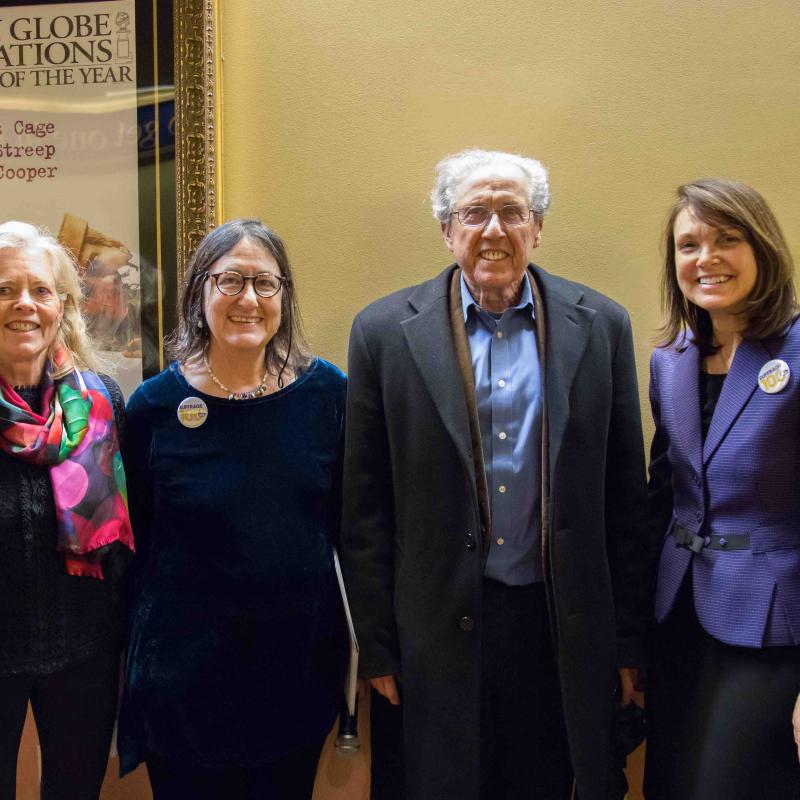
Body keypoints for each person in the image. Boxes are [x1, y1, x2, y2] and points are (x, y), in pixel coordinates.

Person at [341, 149, 649, 800]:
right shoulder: (382, 333)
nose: (494, 229)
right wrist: (377, 647)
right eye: (474, 212)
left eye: (512, 212)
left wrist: (628, 642)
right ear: (446, 230)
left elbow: (627, 498)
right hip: (435, 629)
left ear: (537, 228)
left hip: (556, 626)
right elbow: (364, 506)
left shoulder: (602, 326)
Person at [118, 219, 346, 800]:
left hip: (294, 674)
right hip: (183, 683)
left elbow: (351, 529)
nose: (248, 298)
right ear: (200, 292)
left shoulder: (329, 397)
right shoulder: (154, 406)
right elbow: (138, 541)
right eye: (231, 280)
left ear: (284, 297)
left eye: (265, 284)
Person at [645, 179, 800, 799]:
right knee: (671, 786)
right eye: (689, 245)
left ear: (761, 247)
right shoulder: (671, 359)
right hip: (677, 615)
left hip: (770, 627)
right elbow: (662, 497)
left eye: (726, 240)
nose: (705, 258)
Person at [0, 221, 133, 799]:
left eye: (41, 290)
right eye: (5, 289)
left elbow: (134, 533)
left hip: (85, 650)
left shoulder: (103, 401)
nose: (24, 304)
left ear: (63, 306)